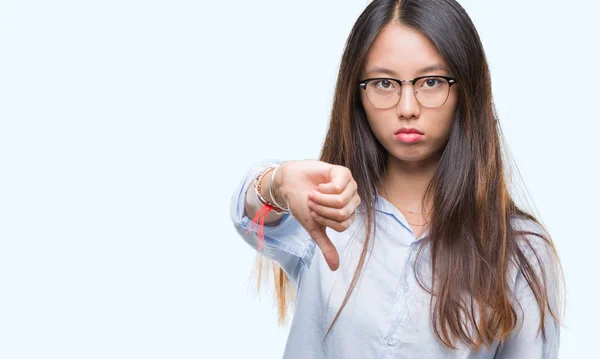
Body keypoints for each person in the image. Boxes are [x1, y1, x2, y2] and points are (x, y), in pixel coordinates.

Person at [230, 0, 564, 357]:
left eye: (432, 82)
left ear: (466, 90)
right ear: (356, 92)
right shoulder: (325, 208)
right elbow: (249, 211)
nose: (407, 107)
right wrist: (276, 183)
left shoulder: (520, 250)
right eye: (384, 83)